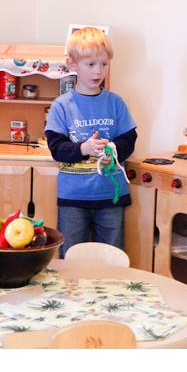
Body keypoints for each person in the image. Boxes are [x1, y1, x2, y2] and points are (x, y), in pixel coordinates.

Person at [45, 27, 137, 258]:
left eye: (104, 64)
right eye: (91, 64)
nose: (99, 71)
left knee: (112, 259)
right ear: (73, 64)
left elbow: (129, 139)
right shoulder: (61, 105)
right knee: (71, 258)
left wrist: (113, 152)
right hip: (73, 199)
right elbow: (57, 148)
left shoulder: (116, 102)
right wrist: (84, 149)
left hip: (110, 197)